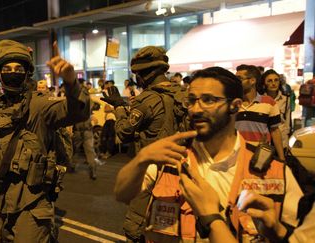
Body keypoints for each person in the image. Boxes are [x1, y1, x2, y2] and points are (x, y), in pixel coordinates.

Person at [114, 66, 303, 242]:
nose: (196, 109)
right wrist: (142, 158)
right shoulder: (173, 158)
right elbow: (122, 194)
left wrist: (277, 231)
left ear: (235, 105)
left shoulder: (273, 171)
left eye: (209, 100)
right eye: (192, 100)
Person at [0, 39, 90, 242]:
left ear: (27, 72)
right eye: (7, 68)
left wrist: (71, 82)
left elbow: (77, 111)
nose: (13, 72)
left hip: (31, 204)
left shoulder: (39, 105)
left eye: (18, 68)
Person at [101, 46, 186, 242]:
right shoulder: (183, 93)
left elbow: (124, 133)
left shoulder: (146, 100)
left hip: (153, 171)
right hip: (183, 170)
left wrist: (120, 108)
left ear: (143, 75)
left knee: (137, 227)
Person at [180, 165, 315, 243]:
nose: (195, 113)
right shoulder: (170, 162)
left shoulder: (278, 169)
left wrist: (210, 217)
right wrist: (279, 232)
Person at [235, 64, 285, 161]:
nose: (236, 82)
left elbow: (275, 131)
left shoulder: (269, 102)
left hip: (260, 157)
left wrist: (282, 158)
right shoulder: (234, 103)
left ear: (252, 81)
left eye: (239, 79)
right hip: (237, 156)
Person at [258, 69, 291, 150]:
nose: (273, 83)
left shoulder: (285, 99)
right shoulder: (260, 100)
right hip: (265, 141)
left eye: (276, 80)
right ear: (264, 84)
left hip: (281, 140)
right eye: (269, 81)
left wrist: (286, 140)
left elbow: (287, 121)